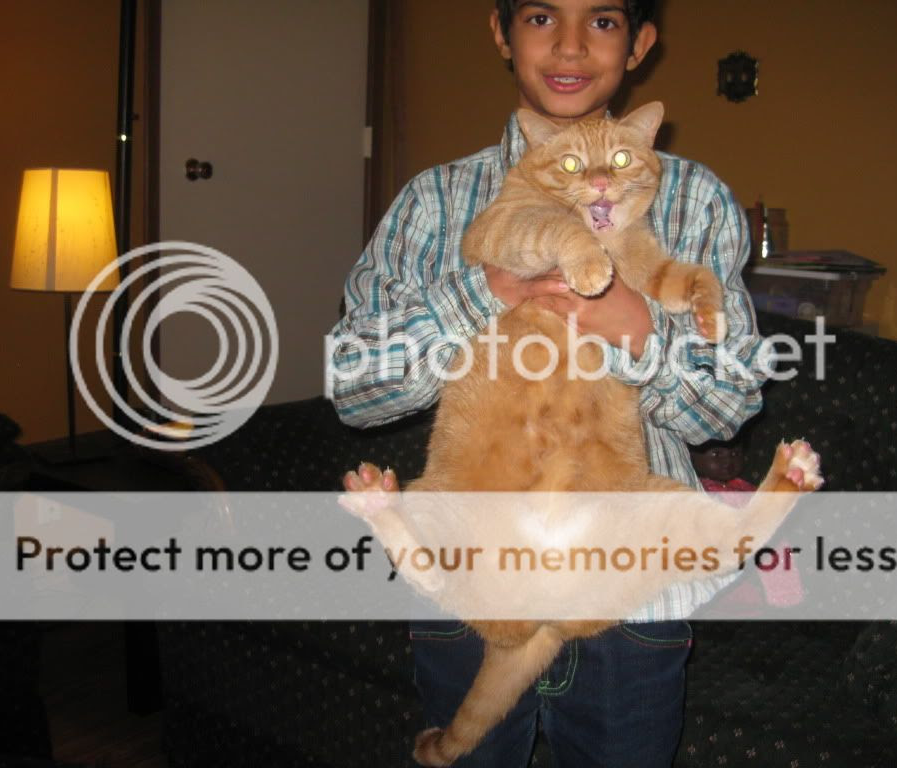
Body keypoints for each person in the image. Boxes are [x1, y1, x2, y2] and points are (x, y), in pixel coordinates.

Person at [328, 1, 764, 765]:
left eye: (602, 21)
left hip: (631, 595)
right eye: (539, 16)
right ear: (501, 33)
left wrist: (638, 329)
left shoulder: (694, 199)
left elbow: (727, 405)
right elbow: (358, 389)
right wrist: (488, 290)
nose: (569, 45)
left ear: (640, 44)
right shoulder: (434, 201)